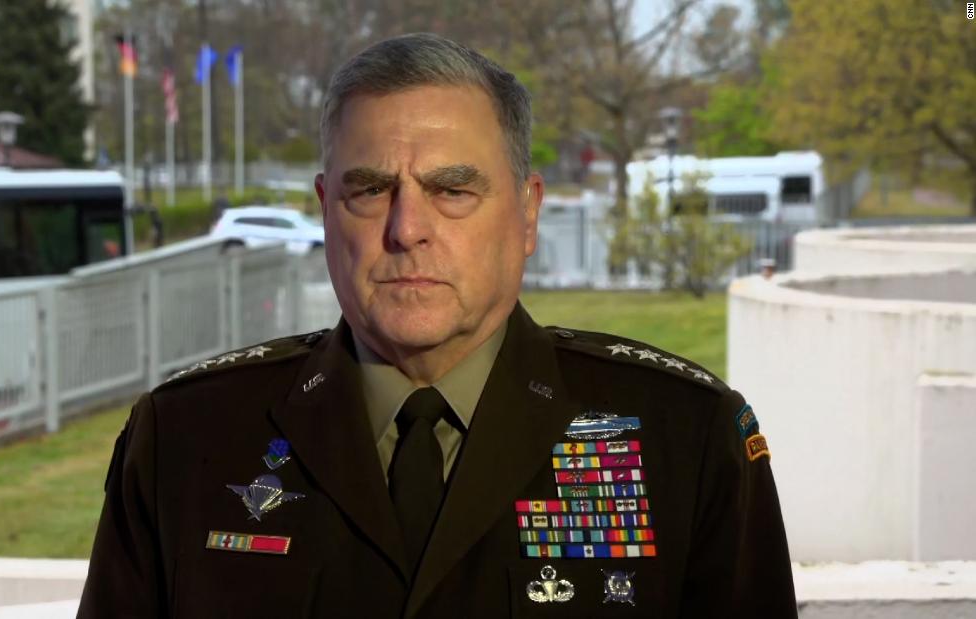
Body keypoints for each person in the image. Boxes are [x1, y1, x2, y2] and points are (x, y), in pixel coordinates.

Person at [78, 33, 797, 618]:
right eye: (369, 190)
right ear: (326, 211)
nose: (406, 228)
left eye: (452, 189)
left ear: (527, 214)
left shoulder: (687, 439)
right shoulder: (185, 439)